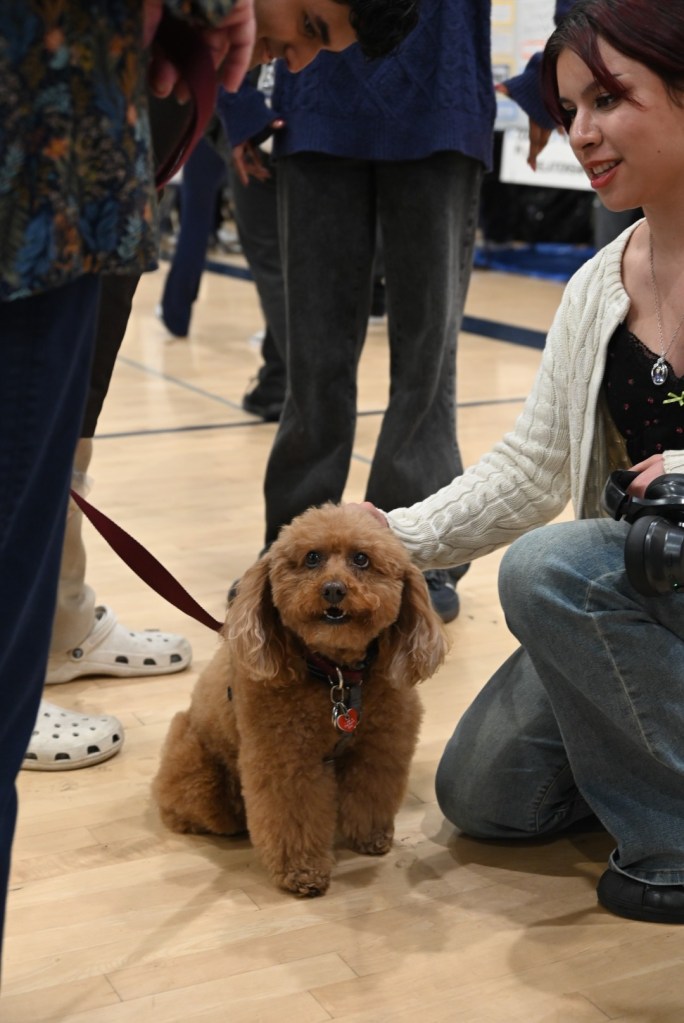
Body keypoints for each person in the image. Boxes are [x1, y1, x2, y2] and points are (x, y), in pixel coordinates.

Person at [0, 0, 418, 969]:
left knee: (57, 457)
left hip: (73, 189)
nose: (291, 60)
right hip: (44, 182)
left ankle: (56, 631)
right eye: (310, 27)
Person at [359, 0, 684, 924]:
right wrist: (386, 539)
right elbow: (534, 467)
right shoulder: (596, 285)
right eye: (570, 108)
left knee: (548, 568)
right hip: (648, 589)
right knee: (484, 796)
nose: (580, 133)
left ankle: (669, 840)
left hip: (636, 576)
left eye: (608, 100)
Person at [222, 0, 496, 624]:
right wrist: (237, 99)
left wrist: (551, 76)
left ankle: (416, 556)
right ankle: (294, 557)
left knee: (428, 362)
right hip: (313, 105)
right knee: (312, 357)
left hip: (442, 99)